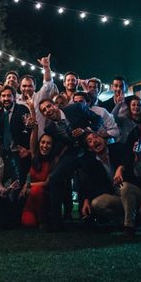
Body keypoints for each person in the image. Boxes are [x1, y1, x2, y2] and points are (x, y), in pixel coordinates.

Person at [39, 98, 102, 230]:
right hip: (72, 152)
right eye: (44, 110)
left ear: (55, 105)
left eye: (49, 106)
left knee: (87, 176)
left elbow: (98, 119)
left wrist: (86, 130)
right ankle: (56, 221)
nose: (47, 110)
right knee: (55, 177)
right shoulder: (50, 128)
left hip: (89, 149)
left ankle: (89, 216)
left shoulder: (76, 108)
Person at [80, 132, 141, 236]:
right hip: (116, 196)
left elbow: (129, 157)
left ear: (104, 140)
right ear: (90, 149)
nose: (94, 141)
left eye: (96, 137)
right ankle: (123, 220)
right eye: (90, 141)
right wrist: (86, 200)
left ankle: (129, 226)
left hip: (134, 193)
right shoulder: (92, 163)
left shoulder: (118, 147)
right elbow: (88, 182)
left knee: (124, 187)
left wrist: (120, 168)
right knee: (95, 203)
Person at [20, 107, 58, 227]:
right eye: (43, 142)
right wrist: (26, 184)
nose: (45, 146)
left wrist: (28, 186)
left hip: (44, 195)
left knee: (37, 190)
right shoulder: (35, 156)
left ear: (52, 146)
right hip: (32, 195)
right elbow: (33, 137)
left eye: (48, 143)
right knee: (27, 223)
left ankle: (45, 218)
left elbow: (47, 183)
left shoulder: (54, 161)